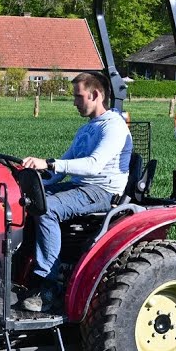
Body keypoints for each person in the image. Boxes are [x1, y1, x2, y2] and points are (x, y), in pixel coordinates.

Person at [17, 72, 131, 312]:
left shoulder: (114, 127)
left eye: (79, 97)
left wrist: (48, 163)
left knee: (46, 210)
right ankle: (17, 273)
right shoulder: (86, 130)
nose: (74, 102)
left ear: (96, 94)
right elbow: (61, 170)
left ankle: (47, 287)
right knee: (23, 201)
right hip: (80, 186)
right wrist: (27, 181)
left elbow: (93, 165)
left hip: (101, 190)